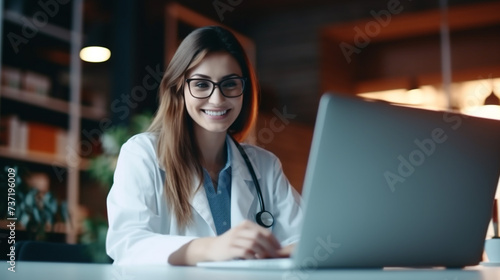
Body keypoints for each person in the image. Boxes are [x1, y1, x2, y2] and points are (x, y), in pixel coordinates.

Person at [106, 25, 303, 266]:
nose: (218, 99)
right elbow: (126, 244)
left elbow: (304, 238)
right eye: (201, 84)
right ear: (179, 88)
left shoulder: (265, 165)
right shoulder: (142, 154)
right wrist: (210, 248)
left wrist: (283, 252)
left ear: (244, 90)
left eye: (230, 84)